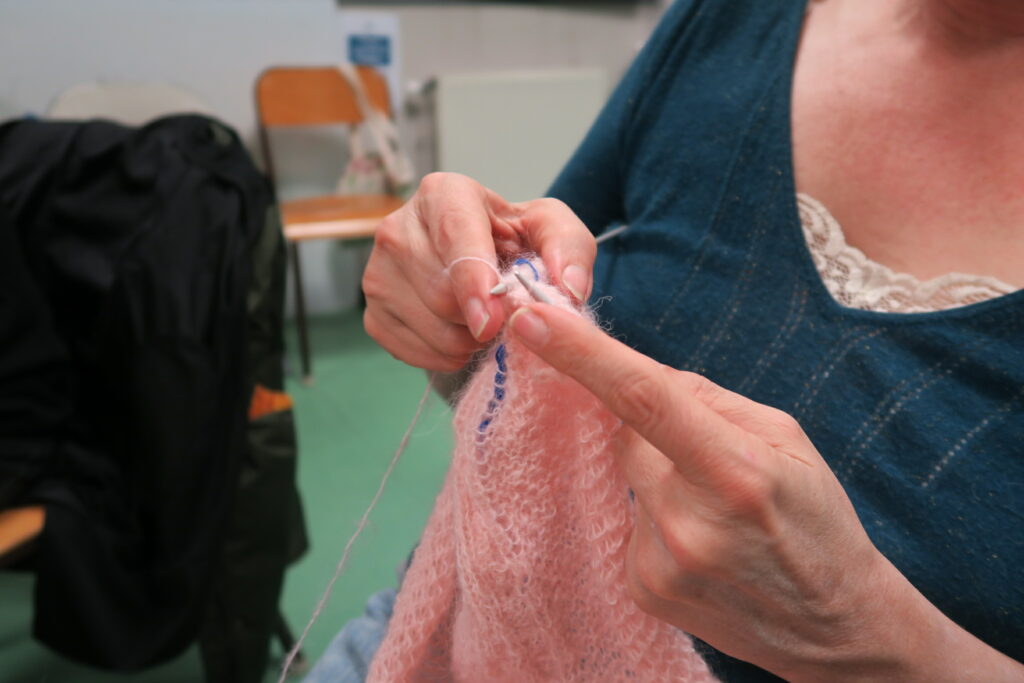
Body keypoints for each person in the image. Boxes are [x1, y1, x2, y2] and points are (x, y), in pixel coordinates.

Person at [317, 0, 1024, 680]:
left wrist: (876, 641)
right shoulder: (725, 21)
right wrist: (448, 290)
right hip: (470, 606)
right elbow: (509, 311)